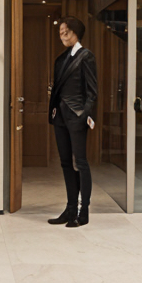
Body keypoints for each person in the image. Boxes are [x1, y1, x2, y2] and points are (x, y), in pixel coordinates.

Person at [47, 16, 98, 227]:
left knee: (81, 163)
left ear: (76, 32)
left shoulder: (86, 56)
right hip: (60, 116)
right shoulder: (61, 58)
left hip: (76, 115)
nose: (62, 35)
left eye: (65, 31)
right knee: (66, 163)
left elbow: (92, 91)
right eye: (60, 32)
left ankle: (83, 212)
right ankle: (70, 209)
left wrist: (85, 114)